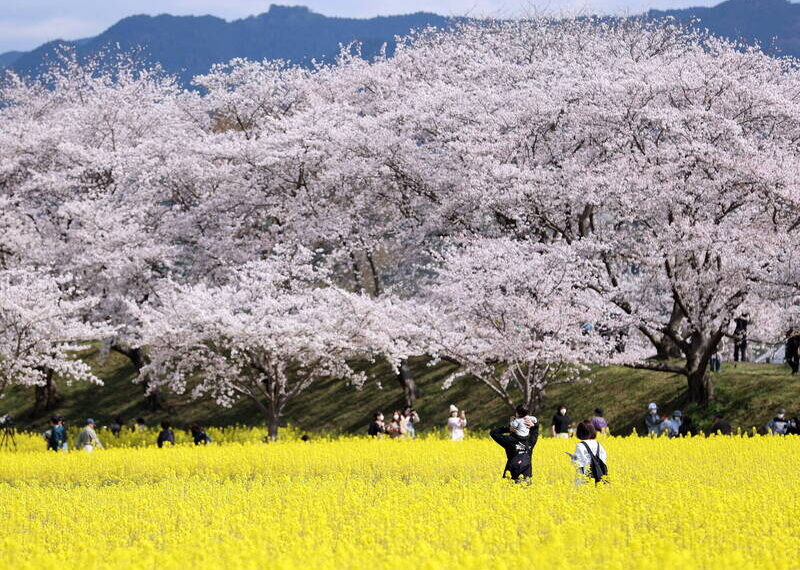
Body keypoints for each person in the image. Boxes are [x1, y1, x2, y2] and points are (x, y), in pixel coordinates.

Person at [489, 416, 539, 483]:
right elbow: (535, 432)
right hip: (526, 475)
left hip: (510, 475)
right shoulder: (530, 442)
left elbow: (493, 433)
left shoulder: (509, 441)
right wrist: (534, 425)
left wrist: (508, 429)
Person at [570, 420, 608, 485]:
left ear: (580, 432)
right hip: (599, 478)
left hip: (584, 479)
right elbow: (603, 460)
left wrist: (573, 459)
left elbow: (579, 463)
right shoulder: (598, 444)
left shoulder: (580, 445)